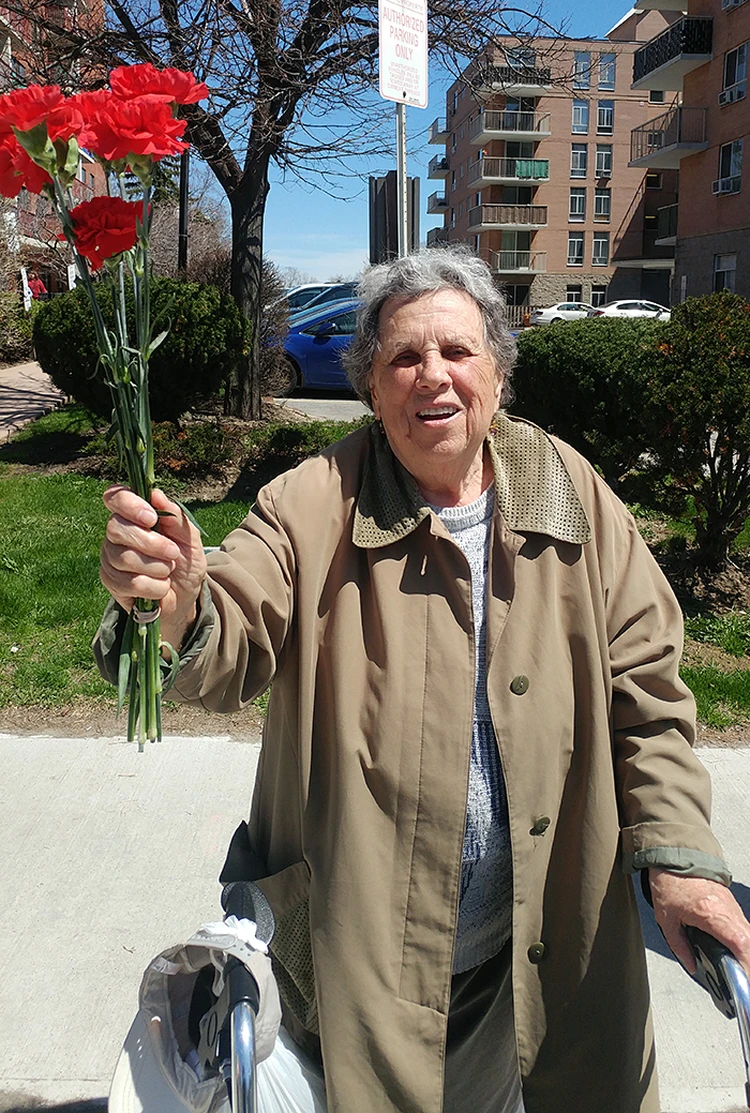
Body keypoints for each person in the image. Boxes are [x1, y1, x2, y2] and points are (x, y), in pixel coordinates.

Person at [96, 247, 750, 1113]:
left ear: (499, 374)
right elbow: (233, 628)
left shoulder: (571, 493)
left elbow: (649, 691)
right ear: (371, 384)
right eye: (404, 357)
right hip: (362, 968)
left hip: (544, 946)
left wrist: (679, 859)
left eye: (457, 351)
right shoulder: (313, 500)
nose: (431, 376)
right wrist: (173, 603)